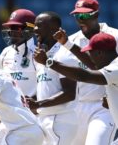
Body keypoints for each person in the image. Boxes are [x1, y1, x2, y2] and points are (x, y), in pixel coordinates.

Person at [52, 0, 118, 144]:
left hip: (104, 107)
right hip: (77, 107)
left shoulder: (116, 36)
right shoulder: (70, 41)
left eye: (84, 15)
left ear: (96, 14)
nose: (80, 20)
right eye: (77, 16)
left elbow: (95, 71)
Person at [34, 32, 118, 145]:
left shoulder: (117, 67)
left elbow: (84, 76)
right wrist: (67, 44)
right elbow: (91, 65)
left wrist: (48, 62)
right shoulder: (112, 65)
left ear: (100, 53)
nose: (90, 59)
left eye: (91, 54)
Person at [25, 11, 78, 145]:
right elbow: (49, 89)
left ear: (54, 29)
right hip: (45, 119)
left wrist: (38, 104)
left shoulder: (64, 54)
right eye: (34, 26)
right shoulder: (40, 56)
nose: (35, 29)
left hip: (61, 120)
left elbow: (70, 93)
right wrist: (32, 101)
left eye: (39, 26)